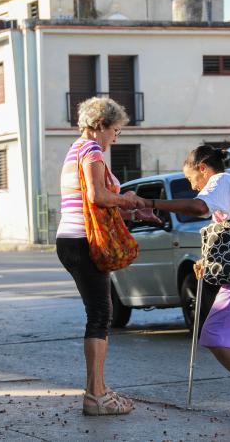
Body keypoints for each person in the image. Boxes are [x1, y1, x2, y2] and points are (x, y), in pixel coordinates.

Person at [140, 145, 230, 418]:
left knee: (214, 333)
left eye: (192, 179)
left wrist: (151, 202)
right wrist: (207, 261)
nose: (193, 187)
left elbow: (197, 207)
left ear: (203, 168)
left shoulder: (222, 181)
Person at [55, 97, 157, 416]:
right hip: (81, 241)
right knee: (100, 314)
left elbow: (96, 206)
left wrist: (135, 211)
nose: (116, 137)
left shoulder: (77, 149)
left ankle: (96, 389)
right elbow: (97, 197)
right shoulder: (91, 150)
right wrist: (128, 200)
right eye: (115, 130)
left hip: (71, 239)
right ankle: (95, 395)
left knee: (101, 311)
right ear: (100, 126)